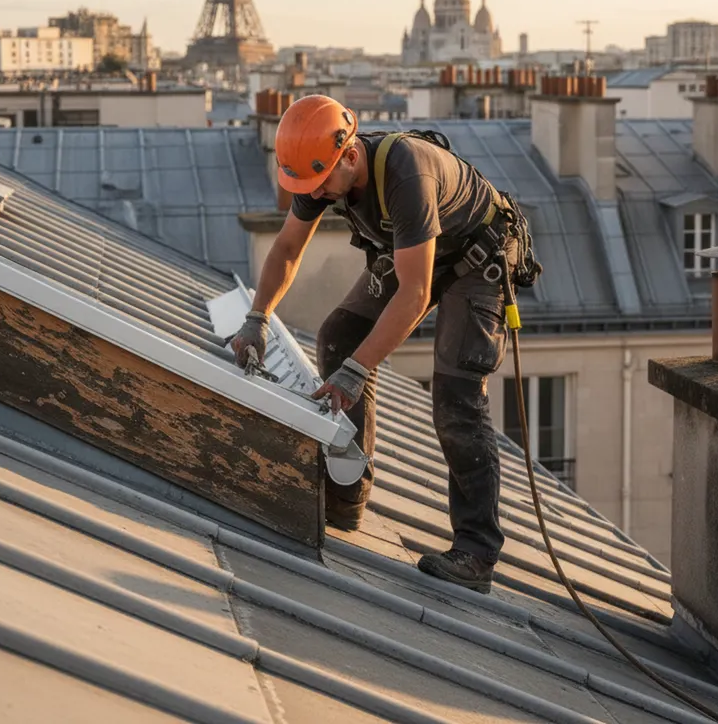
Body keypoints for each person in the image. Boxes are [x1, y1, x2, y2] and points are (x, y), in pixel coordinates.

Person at [228, 95, 539, 593]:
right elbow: (287, 247)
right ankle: (347, 494)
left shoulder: (406, 173)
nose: (319, 195)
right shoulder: (321, 171)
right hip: (419, 254)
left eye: (323, 183)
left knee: (456, 393)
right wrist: (257, 316)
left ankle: (477, 552)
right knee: (340, 334)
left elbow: (414, 293)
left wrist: (356, 372)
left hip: (476, 260)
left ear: (350, 155)